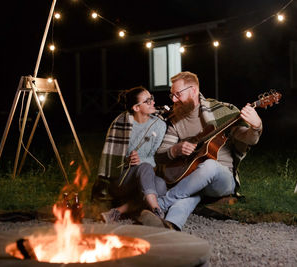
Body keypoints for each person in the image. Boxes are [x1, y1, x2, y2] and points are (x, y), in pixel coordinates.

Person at [152, 71, 263, 231]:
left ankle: (160, 204)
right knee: (190, 194)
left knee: (209, 166)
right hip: (191, 179)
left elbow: (249, 138)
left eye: (177, 94)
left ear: (193, 91)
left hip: (221, 181)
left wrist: (256, 126)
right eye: (172, 95)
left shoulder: (219, 112)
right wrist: (176, 150)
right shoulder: (175, 121)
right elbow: (160, 156)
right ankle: (171, 226)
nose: (174, 100)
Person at [95, 86, 167, 223]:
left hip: (145, 177)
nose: (153, 102)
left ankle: (117, 212)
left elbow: (155, 157)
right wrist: (127, 160)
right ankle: (157, 211)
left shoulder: (159, 125)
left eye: (152, 98)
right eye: (147, 101)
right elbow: (111, 163)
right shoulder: (120, 124)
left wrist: (141, 161)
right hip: (121, 180)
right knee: (145, 168)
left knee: (161, 186)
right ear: (136, 108)